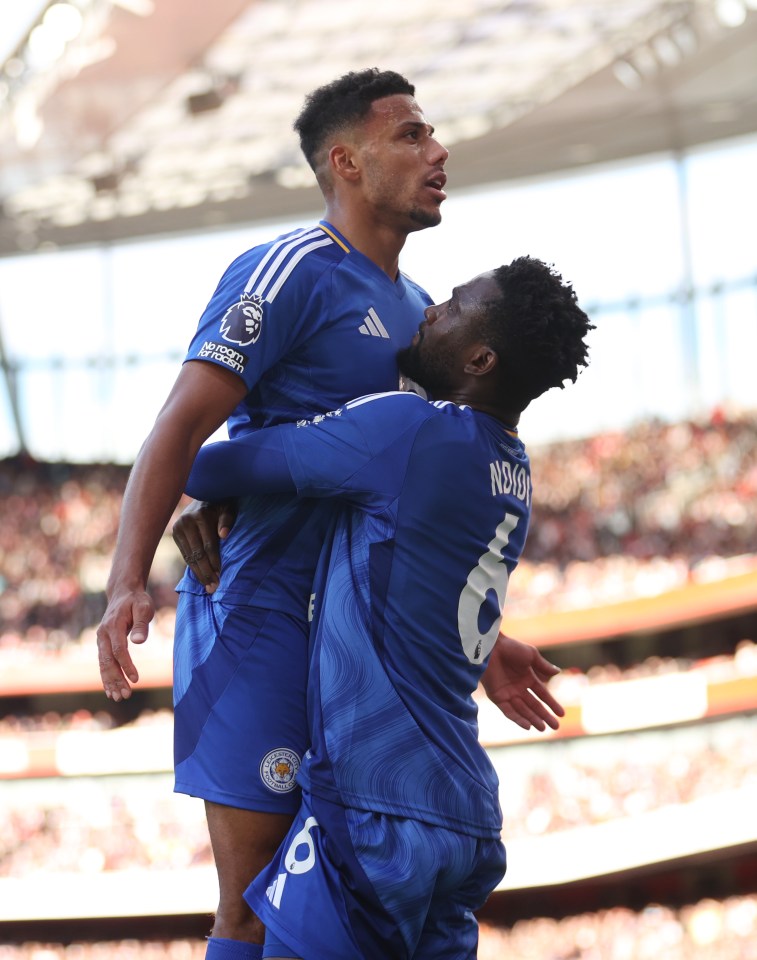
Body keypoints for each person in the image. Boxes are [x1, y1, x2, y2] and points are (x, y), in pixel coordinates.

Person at [96, 67, 557, 958]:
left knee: (340, 916)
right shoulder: (290, 272)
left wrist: (485, 642)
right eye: (412, 136)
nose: (439, 150)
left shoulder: (427, 321)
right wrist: (126, 581)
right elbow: (181, 424)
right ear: (345, 161)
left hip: (358, 656)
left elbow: (415, 502)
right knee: (252, 907)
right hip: (259, 617)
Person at [181, 255, 595, 959]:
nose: (430, 310)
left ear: (479, 357)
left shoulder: (405, 430)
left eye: (455, 307)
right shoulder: (512, 468)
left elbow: (206, 463)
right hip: (461, 814)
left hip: (379, 804)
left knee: (246, 926)